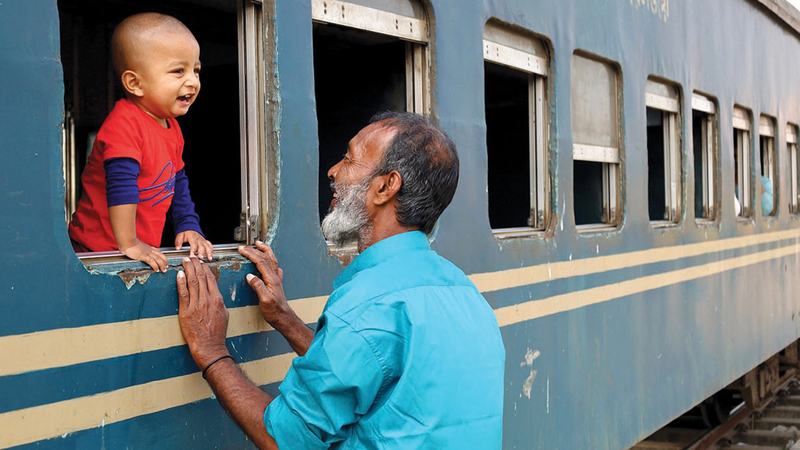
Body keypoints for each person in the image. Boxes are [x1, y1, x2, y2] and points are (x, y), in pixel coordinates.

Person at [177, 112, 506, 449]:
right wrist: (285, 320)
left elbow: (284, 439)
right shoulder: (465, 293)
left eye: (349, 159)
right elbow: (372, 373)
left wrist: (212, 350)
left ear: (385, 187)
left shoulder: (367, 305)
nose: (333, 170)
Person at [68, 13, 213, 272]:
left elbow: (177, 181)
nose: (192, 80)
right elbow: (121, 184)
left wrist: (188, 224)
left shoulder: (171, 126)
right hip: (95, 253)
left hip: (132, 254)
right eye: (179, 71)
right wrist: (130, 242)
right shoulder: (124, 123)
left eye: (196, 70)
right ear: (135, 83)